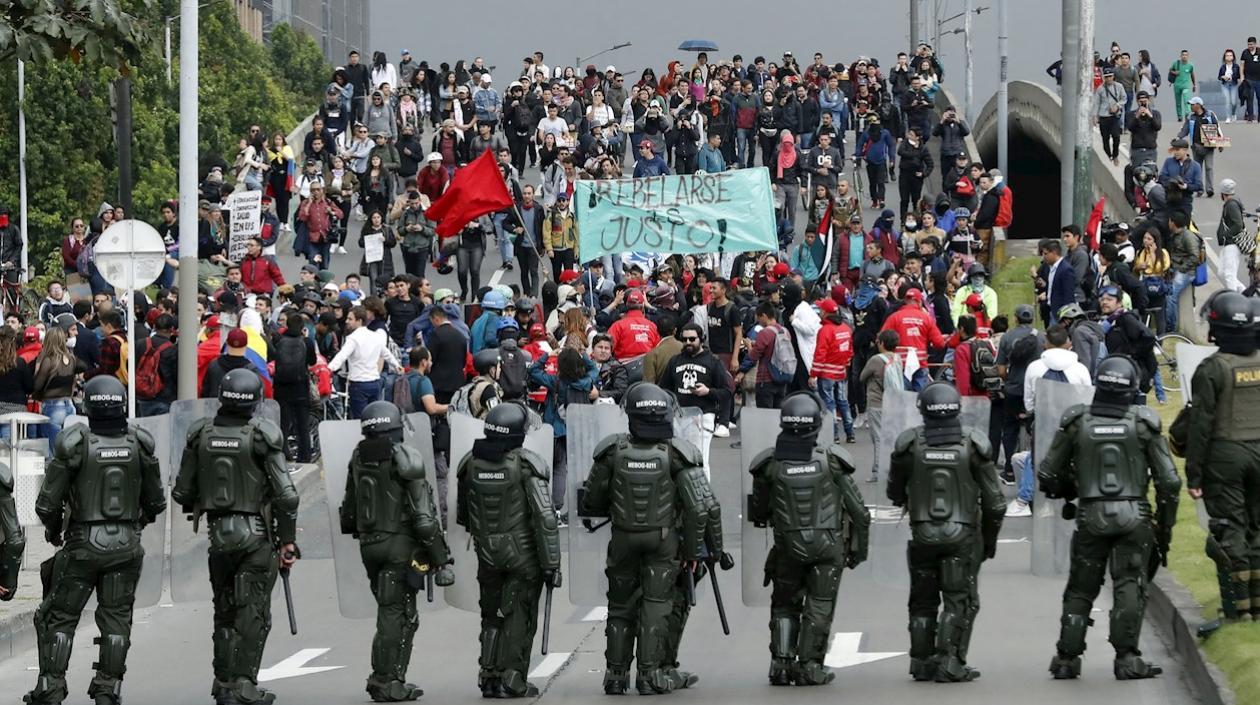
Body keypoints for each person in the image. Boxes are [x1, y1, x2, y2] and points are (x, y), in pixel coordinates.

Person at [23, 376, 165, 705]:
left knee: (58, 617)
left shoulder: (75, 444)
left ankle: (51, 688)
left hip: (82, 542)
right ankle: (107, 688)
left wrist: (55, 529)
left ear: (87, 406)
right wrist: (136, 524)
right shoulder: (140, 445)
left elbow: (46, 503)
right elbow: (156, 501)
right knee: (116, 618)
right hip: (127, 542)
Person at [579, 383, 725, 695]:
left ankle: (616, 676)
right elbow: (703, 508)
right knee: (657, 603)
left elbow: (590, 500)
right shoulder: (678, 454)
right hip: (663, 540)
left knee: (619, 606)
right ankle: (651, 675)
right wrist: (702, 549)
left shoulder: (612, 451)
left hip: (622, 538)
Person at [1039, 355, 1180, 680]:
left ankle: (1066, 658)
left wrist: (1069, 488)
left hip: (1091, 513)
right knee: (1130, 582)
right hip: (1134, 514)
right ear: (1132, 387)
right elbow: (1170, 481)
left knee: (1081, 587)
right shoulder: (1144, 424)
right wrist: (1165, 523)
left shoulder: (1076, 422)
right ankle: (1127, 658)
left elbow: (1047, 472)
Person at [173, 369, 300, 705]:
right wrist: (287, 540)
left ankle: (224, 681)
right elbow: (286, 495)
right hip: (257, 536)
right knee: (253, 612)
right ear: (256, 400)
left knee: (225, 611)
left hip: (219, 535)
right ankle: (242, 685)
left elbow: (182, 491)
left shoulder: (200, 434)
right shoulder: (263, 436)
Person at [748, 393, 869, 686]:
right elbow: (860, 513)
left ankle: (781, 664)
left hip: (788, 545)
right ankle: (810, 667)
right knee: (820, 604)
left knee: (784, 604)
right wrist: (858, 551)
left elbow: (759, 512)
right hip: (828, 545)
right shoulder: (832, 461)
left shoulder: (768, 464)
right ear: (816, 425)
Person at [888, 382, 1005, 682]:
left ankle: (922, 661)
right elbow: (995, 504)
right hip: (963, 536)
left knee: (922, 600)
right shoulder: (974, 445)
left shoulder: (909, 444)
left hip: (923, 534)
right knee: (960, 599)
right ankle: (950, 661)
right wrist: (988, 542)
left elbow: (894, 491)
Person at [339, 401, 453, 702]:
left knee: (392, 610)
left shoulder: (358, 457)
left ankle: (389, 678)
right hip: (399, 546)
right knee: (397, 614)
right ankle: (386, 680)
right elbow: (425, 519)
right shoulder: (406, 458)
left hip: (369, 544)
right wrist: (441, 560)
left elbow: (349, 509)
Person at [456, 402, 560, 698]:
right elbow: (545, 518)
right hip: (522, 554)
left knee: (492, 615)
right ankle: (512, 678)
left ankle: (488, 675)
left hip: (486, 552)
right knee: (520, 615)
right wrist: (552, 563)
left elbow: (463, 515)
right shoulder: (526, 465)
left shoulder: (469, 464)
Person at [1182, 291, 1260, 634]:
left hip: (1226, 457)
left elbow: (1200, 425)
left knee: (1230, 533)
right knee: (1256, 532)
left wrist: (1194, 473)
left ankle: (1238, 613)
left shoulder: (1212, 368)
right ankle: (1256, 610)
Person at [811, 298, 857, 443]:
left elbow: (820, 354)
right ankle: (850, 433)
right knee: (843, 402)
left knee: (829, 404)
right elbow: (850, 352)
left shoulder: (825, 330)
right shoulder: (846, 329)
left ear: (824, 312)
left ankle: (834, 434)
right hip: (841, 373)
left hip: (827, 374)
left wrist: (813, 374)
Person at [859, 329, 902, 484]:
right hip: (892, 402)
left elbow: (862, 377)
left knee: (878, 437)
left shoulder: (876, 360)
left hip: (876, 402)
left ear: (882, 343)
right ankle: (893, 469)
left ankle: (878, 471)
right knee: (891, 436)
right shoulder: (897, 358)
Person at [273, 312, 316, 463]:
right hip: (300, 388)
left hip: (281, 388)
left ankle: (284, 454)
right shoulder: (307, 342)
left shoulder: (279, 340)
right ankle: (305, 457)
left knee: (283, 423)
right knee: (302, 425)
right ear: (302, 327)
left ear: (287, 325)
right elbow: (312, 362)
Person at [1217, 178, 1248, 293]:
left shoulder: (1231, 205)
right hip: (1229, 244)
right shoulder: (1231, 204)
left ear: (1223, 193)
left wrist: (1226, 235)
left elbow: (1238, 224)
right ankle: (1246, 293)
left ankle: (1234, 299)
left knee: (1229, 274)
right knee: (1222, 272)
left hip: (1232, 243)